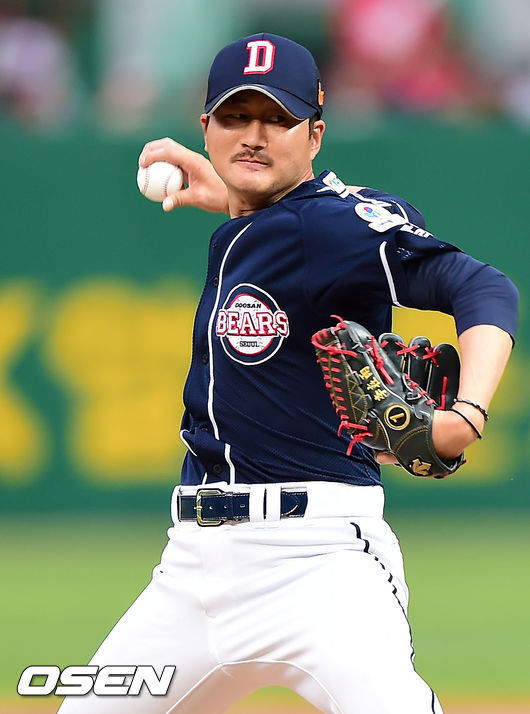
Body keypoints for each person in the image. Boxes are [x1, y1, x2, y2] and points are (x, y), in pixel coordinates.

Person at [59, 33, 518, 714]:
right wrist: (234, 199)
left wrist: (467, 414)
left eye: (278, 119)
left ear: (315, 135)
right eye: (236, 116)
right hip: (192, 571)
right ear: (205, 126)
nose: (254, 135)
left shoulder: (334, 226)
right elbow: (280, 229)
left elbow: (483, 286)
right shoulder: (259, 226)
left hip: (319, 565)